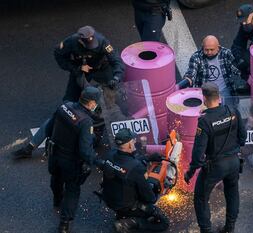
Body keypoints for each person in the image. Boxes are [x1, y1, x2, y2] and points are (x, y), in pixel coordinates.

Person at [184, 82, 247, 233]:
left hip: (215, 166)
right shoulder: (232, 111)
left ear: (204, 99)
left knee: (201, 198)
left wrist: (190, 172)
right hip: (233, 162)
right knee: (232, 192)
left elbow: (198, 155)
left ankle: (206, 230)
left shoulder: (204, 121)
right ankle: (229, 228)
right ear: (219, 97)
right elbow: (243, 137)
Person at [44, 86, 100, 233]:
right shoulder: (86, 121)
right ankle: (64, 223)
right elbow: (85, 151)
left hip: (54, 154)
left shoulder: (64, 106)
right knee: (72, 190)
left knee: (56, 178)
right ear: (92, 103)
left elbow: (48, 129)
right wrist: (97, 160)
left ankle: (57, 200)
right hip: (70, 161)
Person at [99, 128, 169, 233]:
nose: (135, 142)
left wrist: (148, 158)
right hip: (127, 206)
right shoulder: (137, 168)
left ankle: (122, 215)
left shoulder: (110, 154)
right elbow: (149, 198)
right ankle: (129, 222)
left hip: (110, 199)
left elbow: (127, 162)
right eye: (133, 140)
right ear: (129, 145)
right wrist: (155, 191)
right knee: (163, 223)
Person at [54, 25, 124, 104]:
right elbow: (59, 55)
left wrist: (116, 77)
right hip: (81, 69)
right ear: (80, 41)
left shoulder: (102, 41)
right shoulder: (71, 41)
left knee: (114, 91)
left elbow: (116, 60)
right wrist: (77, 68)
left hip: (101, 68)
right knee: (70, 98)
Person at [178, 35, 242, 105]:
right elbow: (191, 73)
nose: (209, 52)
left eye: (212, 50)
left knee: (229, 112)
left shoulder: (226, 54)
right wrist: (186, 80)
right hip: (206, 93)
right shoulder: (196, 57)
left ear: (218, 48)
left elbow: (236, 69)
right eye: (206, 50)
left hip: (224, 91)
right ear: (202, 47)